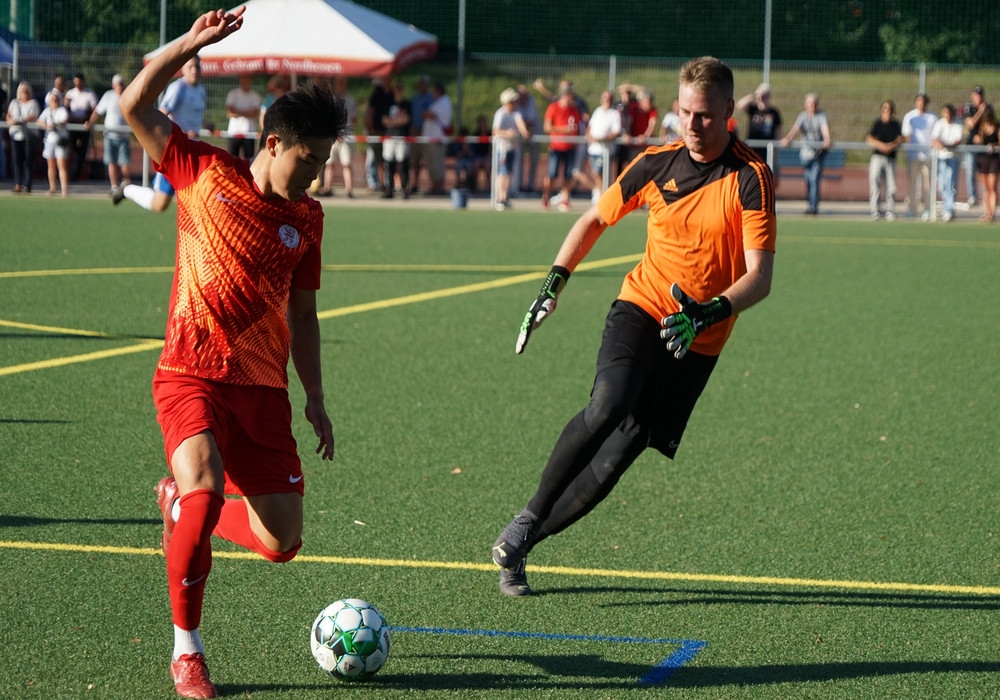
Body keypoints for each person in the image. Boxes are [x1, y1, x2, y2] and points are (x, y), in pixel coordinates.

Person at [118, 7, 346, 697]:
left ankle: (180, 503)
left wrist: (314, 395)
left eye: (325, 161)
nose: (318, 174)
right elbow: (135, 102)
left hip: (263, 392)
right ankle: (187, 650)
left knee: (283, 543)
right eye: (311, 159)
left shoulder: (307, 219)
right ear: (275, 143)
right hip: (189, 373)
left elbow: (303, 314)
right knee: (206, 487)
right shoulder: (202, 171)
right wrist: (190, 42)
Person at [491, 56, 775, 597]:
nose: (693, 126)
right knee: (610, 403)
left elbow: (759, 277)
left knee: (623, 450)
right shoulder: (655, 163)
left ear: (728, 114)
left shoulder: (751, 177)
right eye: (686, 113)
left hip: (700, 338)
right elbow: (595, 219)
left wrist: (706, 313)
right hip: (642, 307)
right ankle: (526, 518)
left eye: (706, 117)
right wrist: (553, 285)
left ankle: (520, 548)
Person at [113, 55, 207, 212]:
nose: (194, 70)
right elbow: (162, 115)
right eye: (190, 66)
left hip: (193, 149)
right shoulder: (178, 88)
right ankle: (127, 189)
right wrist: (183, 133)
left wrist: (204, 125)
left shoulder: (201, 90)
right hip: (175, 149)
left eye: (197, 66)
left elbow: (190, 118)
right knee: (160, 204)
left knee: (198, 193)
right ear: (183, 69)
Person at [780, 93, 831, 215]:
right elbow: (795, 129)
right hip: (806, 154)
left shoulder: (821, 116)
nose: (812, 106)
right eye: (809, 103)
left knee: (814, 179)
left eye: (814, 103)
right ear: (806, 105)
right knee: (808, 179)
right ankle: (810, 204)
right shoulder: (802, 116)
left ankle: (814, 207)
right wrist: (788, 138)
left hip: (818, 154)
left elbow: (825, 130)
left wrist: (827, 139)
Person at [86, 74, 132, 193]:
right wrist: (90, 122)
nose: (119, 86)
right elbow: (98, 111)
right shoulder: (108, 96)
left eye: (121, 83)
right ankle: (114, 187)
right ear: (113, 85)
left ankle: (126, 185)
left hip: (124, 134)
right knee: (111, 161)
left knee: (124, 162)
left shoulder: (129, 95)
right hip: (110, 134)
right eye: (117, 84)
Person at [540, 83, 582, 211]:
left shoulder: (574, 110)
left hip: (570, 147)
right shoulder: (553, 107)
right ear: (564, 95)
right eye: (569, 95)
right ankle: (546, 196)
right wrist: (564, 130)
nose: (571, 97)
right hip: (556, 147)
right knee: (552, 174)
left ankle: (565, 199)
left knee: (568, 175)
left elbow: (577, 127)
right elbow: (547, 127)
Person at [865, 100, 904, 221]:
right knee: (875, 184)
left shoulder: (896, 124)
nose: (887, 111)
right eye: (885, 109)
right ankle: (875, 210)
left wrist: (891, 145)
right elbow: (869, 138)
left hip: (890, 158)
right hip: (877, 157)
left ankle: (890, 210)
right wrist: (881, 145)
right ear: (882, 110)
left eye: (889, 109)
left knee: (891, 186)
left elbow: (900, 138)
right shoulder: (877, 123)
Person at [737, 82, 782, 185]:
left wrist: (776, 148)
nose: (762, 98)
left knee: (766, 174)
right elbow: (740, 105)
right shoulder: (753, 110)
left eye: (765, 96)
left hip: (767, 149)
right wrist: (755, 94)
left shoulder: (774, 112)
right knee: (751, 172)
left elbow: (779, 131)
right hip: (753, 147)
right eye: (761, 96)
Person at [319, 76, 357, 198]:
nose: (340, 85)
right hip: (333, 137)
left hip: (345, 137)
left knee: (347, 163)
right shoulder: (331, 100)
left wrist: (342, 131)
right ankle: (327, 188)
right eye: (338, 83)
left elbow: (353, 118)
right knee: (329, 163)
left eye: (342, 83)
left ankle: (349, 189)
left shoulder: (350, 100)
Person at [492, 88, 529, 210]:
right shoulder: (500, 114)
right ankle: (499, 198)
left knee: (508, 173)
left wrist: (524, 132)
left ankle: (505, 196)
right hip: (502, 149)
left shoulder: (516, 112)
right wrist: (507, 133)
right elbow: (495, 131)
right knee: (502, 173)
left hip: (512, 147)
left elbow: (520, 123)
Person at [901, 93, 936, 220]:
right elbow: (906, 135)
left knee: (928, 185)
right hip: (913, 155)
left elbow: (934, 136)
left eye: (923, 102)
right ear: (916, 103)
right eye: (919, 101)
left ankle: (927, 209)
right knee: (912, 184)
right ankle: (911, 209)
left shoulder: (933, 117)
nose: (921, 104)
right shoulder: (909, 116)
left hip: (928, 155)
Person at [586, 89, 622, 202]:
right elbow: (590, 126)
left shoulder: (615, 114)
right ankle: (600, 192)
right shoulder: (597, 111)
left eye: (609, 98)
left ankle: (602, 195)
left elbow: (617, 131)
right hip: (593, 149)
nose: (607, 100)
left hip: (605, 150)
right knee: (595, 172)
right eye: (605, 98)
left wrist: (602, 139)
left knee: (598, 172)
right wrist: (588, 135)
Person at [931, 104, 964, 222]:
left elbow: (958, 140)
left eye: (949, 113)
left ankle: (949, 209)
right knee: (942, 184)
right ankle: (946, 206)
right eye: (945, 113)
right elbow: (934, 139)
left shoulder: (958, 123)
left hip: (953, 157)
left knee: (950, 184)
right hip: (941, 158)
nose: (947, 116)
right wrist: (940, 144)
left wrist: (948, 145)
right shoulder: (939, 124)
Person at [6, 81, 39, 193]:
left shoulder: (33, 103)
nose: (24, 92)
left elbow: (32, 116)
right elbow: (8, 116)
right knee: (17, 161)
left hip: (28, 136)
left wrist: (20, 121)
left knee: (28, 161)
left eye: (26, 90)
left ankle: (27, 185)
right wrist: (11, 121)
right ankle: (18, 184)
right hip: (16, 135)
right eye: (22, 90)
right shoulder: (14, 103)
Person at [420, 81, 453, 195]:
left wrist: (425, 113)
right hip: (431, 138)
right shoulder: (439, 102)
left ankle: (439, 187)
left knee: (437, 164)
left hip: (437, 139)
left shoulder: (443, 102)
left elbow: (429, 114)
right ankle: (434, 186)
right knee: (431, 163)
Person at [64, 72, 98, 181]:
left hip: (84, 125)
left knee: (82, 150)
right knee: (72, 148)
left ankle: (77, 174)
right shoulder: (70, 93)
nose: (77, 84)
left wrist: (88, 118)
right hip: (72, 124)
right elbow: (64, 108)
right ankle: (70, 172)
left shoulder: (90, 94)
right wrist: (66, 105)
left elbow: (94, 110)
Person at [380, 79, 411, 198]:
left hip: (401, 137)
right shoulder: (388, 103)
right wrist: (398, 121)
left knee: (402, 163)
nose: (398, 91)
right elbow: (384, 121)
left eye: (400, 89)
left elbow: (406, 120)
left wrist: (392, 121)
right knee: (388, 163)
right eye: (397, 89)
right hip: (389, 137)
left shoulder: (406, 104)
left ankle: (404, 188)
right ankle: (389, 189)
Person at [37, 90, 70, 197]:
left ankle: (64, 189)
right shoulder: (47, 111)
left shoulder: (62, 110)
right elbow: (39, 120)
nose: (54, 101)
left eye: (56, 99)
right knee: (51, 165)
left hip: (60, 140)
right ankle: (52, 188)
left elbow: (64, 119)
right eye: (52, 99)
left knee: (61, 165)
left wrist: (55, 124)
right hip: (50, 140)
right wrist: (44, 125)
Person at [961, 86, 988, 206]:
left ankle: (985, 196)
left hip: (984, 145)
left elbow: (989, 124)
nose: (979, 97)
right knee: (971, 170)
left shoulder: (988, 108)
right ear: (973, 96)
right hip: (971, 144)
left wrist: (981, 136)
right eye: (977, 95)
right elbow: (971, 124)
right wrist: (980, 112)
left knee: (984, 171)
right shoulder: (969, 108)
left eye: (981, 95)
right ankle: (972, 196)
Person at [973, 104, 999, 223]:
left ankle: (991, 214)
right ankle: (986, 212)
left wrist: (994, 145)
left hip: (993, 160)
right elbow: (974, 133)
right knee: (986, 188)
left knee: (992, 187)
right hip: (982, 159)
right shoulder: (981, 127)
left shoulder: (997, 126)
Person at [224, 74, 261, 160]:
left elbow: (255, 114)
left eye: (247, 79)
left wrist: (238, 111)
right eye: (243, 79)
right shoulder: (233, 94)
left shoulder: (255, 96)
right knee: (231, 159)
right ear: (240, 80)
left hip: (249, 132)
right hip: (234, 132)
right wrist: (247, 112)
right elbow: (230, 112)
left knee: (249, 160)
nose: (245, 81)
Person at [407, 75, 433, 195]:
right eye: (421, 83)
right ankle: (414, 184)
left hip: (427, 134)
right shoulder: (414, 99)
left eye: (424, 84)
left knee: (428, 160)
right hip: (415, 133)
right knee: (414, 160)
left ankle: (432, 184)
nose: (422, 86)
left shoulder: (431, 99)